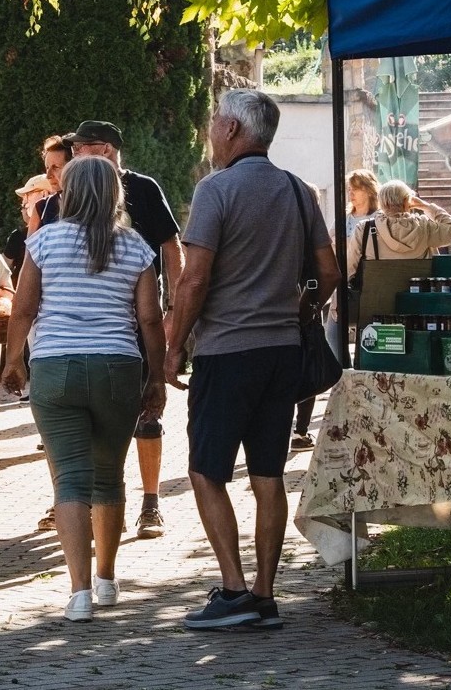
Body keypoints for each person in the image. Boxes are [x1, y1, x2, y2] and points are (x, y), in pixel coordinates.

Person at [165, 89, 340, 630]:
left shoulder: (215, 189)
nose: (210, 131)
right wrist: (302, 311)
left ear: (234, 130)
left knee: (206, 470)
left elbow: (194, 279)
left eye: (215, 122)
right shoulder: (297, 190)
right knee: (268, 474)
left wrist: (174, 345)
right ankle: (265, 594)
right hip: (283, 351)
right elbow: (329, 272)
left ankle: (234, 590)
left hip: (227, 349)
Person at [1, 155, 167, 622]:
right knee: (109, 476)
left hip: (56, 365)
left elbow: (24, 308)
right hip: (117, 366)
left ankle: (78, 593)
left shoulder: (44, 242)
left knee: (70, 479)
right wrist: (157, 375)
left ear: (68, 194)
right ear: (116, 193)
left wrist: (14, 361)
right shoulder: (135, 246)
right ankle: (107, 579)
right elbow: (150, 318)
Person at [69, 119, 182, 540]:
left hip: (140, 318)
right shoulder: (73, 189)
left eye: (81, 146)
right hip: (90, 322)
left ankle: (150, 503)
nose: (75, 154)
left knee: (148, 412)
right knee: (86, 420)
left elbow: (171, 245)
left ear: (105, 149)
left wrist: (174, 310)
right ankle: (82, 501)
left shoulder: (144, 188)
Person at [346, 179, 451, 276]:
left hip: (378, 295)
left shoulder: (364, 229)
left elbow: (350, 268)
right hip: (417, 293)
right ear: (407, 201)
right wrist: (426, 206)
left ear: (380, 202)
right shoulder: (425, 227)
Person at [345, 169, 379, 237]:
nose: (351, 193)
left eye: (355, 189)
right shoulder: (344, 217)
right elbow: (329, 239)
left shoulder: (380, 218)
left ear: (370, 191)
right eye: (349, 189)